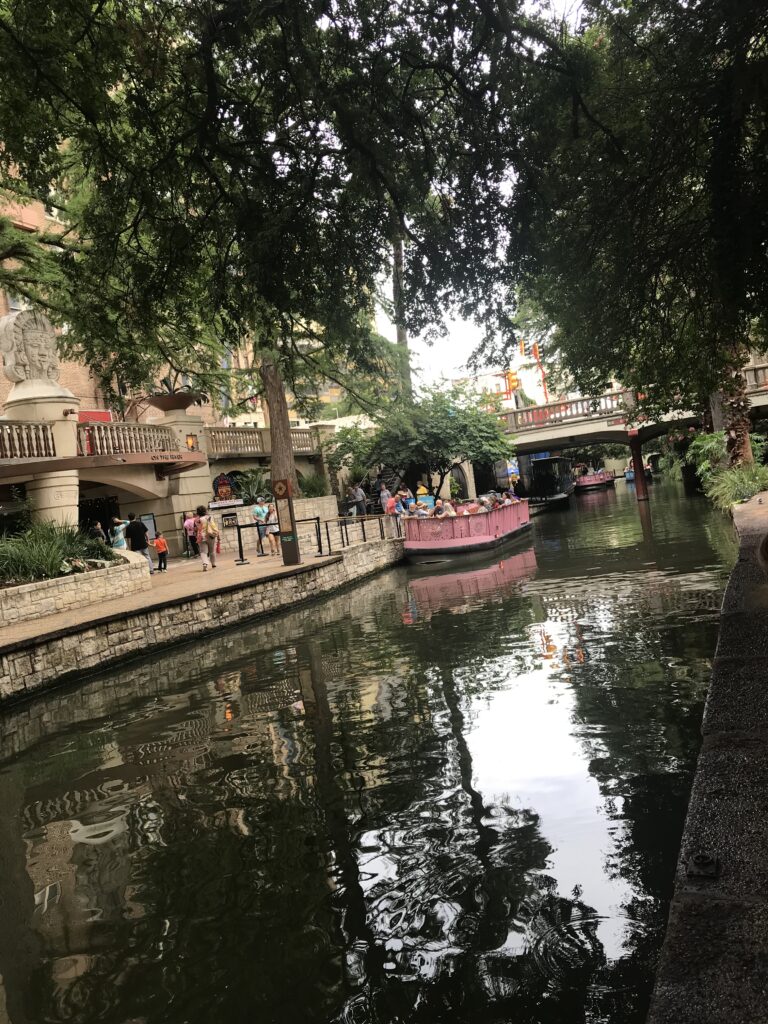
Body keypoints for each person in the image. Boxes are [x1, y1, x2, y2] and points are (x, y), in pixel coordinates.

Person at [195, 504, 219, 570]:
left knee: (203, 552)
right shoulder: (209, 517)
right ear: (205, 511)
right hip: (210, 535)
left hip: (201, 536)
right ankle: (213, 564)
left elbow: (196, 528)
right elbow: (213, 526)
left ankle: (205, 564)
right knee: (212, 551)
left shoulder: (196, 520)